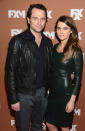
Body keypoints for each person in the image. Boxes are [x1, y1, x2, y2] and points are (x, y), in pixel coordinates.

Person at [5, 3, 53, 131]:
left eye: (42, 19)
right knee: (23, 128)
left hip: (42, 95)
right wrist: (14, 99)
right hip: (24, 96)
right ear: (28, 19)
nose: (39, 22)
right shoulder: (17, 41)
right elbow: (10, 72)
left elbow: (51, 68)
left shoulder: (48, 43)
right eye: (35, 18)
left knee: (38, 126)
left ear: (46, 21)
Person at [45, 15, 83, 131]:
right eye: (58, 28)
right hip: (53, 94)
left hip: (66, 94)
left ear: (71, 30)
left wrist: (72, 101)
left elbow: (78, 79)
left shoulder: (76, 50)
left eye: (65, 28)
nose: (61, 31)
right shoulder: (55, 47)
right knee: (49, 124)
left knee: (64, 127)